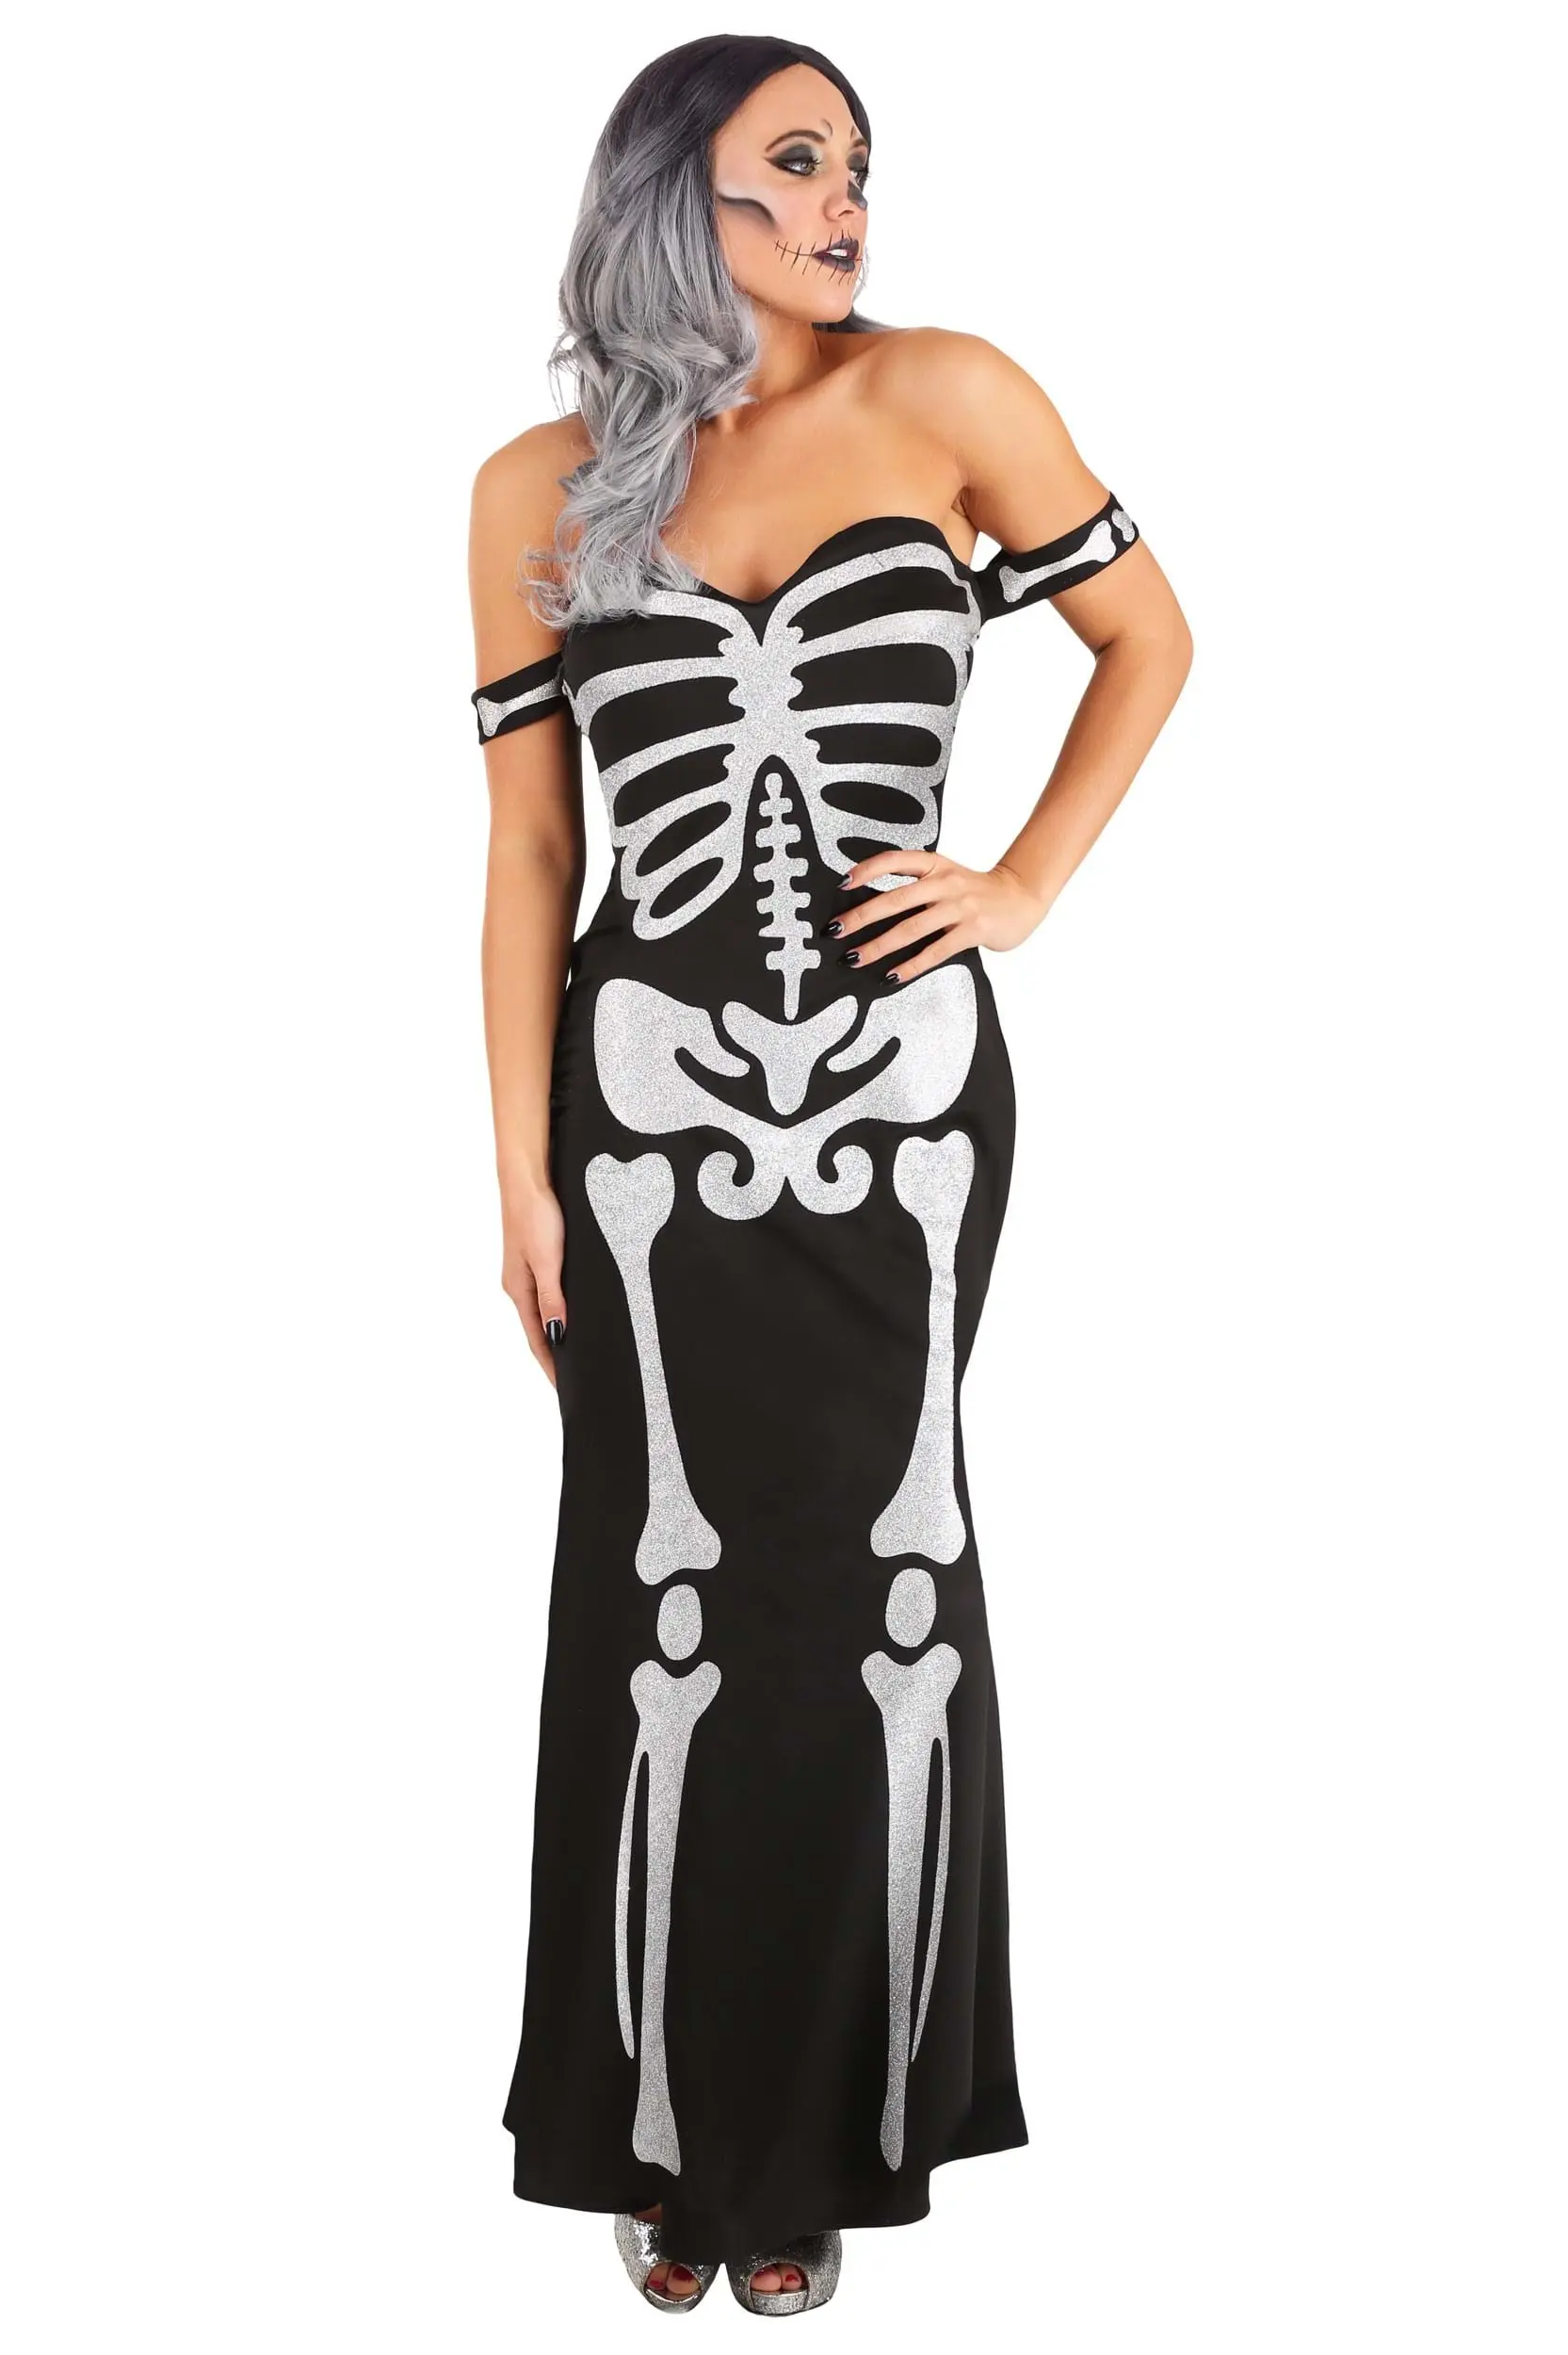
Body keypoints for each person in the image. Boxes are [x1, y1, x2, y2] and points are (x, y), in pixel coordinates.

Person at [468, 32, 1191, 2317]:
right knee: (649, 1594)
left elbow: (1147, 636)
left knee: (881, 1583)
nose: (843, 201)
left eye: (856, 164)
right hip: (640, 1105)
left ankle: (820, 2148)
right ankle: (657, 2128)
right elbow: (529, 848)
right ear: (668, 194)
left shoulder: (946, 393)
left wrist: (1021, 884)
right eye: (791, 164)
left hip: (902, 1092)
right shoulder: (537, 482)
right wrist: (516, 1169)